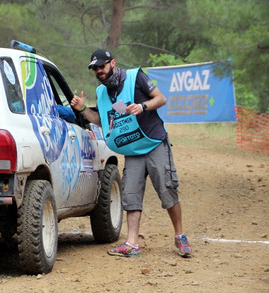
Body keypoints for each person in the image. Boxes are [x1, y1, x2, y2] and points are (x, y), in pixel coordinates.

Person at [70, 48, 191, 258]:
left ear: (112, 63)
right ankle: (132, 244)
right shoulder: (102, 92)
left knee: (167, 190)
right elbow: (103, 122)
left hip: (154, 143)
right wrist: (82, 109)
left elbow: (160, 99)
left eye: (102, 65)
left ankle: (180, 236)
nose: (99, 70)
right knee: (131, 195)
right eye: (95, 68)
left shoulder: (136, 77)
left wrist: (143, 106)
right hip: (132, 149)